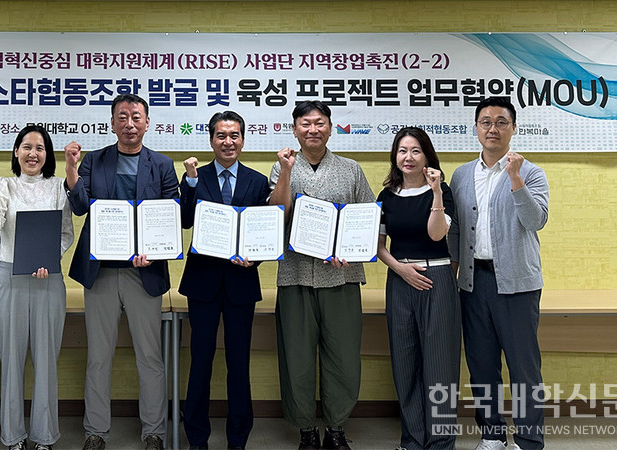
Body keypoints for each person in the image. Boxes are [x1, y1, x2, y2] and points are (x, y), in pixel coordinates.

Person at [64, 93, 178, 450]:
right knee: (99, 355)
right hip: (101, 272)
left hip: (144, 274)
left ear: (147, 122)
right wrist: (71, 168)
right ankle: (96, 431)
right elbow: (80, 207)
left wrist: (156, 251)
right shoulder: (94, 161)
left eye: (136, 117)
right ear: (112, 123)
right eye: (123, 117)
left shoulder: (161, 164)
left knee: (150, 356)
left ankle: (154, 432)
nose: (130, 124)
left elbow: (170, 215)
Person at [268, 100, 374, 450]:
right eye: (305, 124)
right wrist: (284, 172)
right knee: (297, 357)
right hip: (295, 275)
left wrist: (353, 249)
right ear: (295, 129)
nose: (313, 129)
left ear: (330, 127)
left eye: (320, 123)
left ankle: (337, 428)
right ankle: (306, 430)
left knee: (343, 356)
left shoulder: (351, 169)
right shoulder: (282, 166)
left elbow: (367, 220)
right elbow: (276, 217)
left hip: (341, 278)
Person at [448, 97, 549, 450]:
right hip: (474, 283)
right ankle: (492, 434)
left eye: (501, 122)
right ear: (476, 128)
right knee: (481, 364)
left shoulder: (530, 172)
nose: (493, 128)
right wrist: (453, 277)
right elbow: (457, 229)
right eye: (486, 122)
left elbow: (536, 220)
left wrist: (515, 177)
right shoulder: (461, 174)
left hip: (517, 283)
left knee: (523, 367)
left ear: (513, 128)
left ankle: (528, 439)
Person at [0, 125, 74, 450]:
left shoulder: (59, 187)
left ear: (47, 155)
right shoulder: (2, 185)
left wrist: (48, 258)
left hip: (49, 281)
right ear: (16, 152)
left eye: (40, 148)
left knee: (47, 360)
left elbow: (65, 234)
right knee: (12, 360)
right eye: (27, 147)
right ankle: (13, 436)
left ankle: (45, 437)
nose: (33, 153)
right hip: (10, 279)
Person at [178, 110, 270, 450]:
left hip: (241, 283)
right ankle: (197, 438)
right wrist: (188, 182)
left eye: (234, 135)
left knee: (238, 363)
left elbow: (265, 231)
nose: (227, 141)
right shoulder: (194, 176)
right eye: (221, 135)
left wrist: (256, 257)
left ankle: (238, 439)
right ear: (211, 139)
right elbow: (185, 221)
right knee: (200, 362)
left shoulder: (258, 181)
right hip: (202, 282)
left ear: (243, 140)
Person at [376, 127, 460, 449]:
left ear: (427, 156)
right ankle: (412, 440)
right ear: (395, 157)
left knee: (439, 366)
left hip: (436, 280)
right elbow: (379, 245)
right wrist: (399, 269)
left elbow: (438, 236)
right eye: (402, 151)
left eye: (415, 151)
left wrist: (436, 193)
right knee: (405, 362)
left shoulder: (443, 191)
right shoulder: (385, 196)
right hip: (399, 280)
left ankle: (440, 443)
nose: (407, 157)